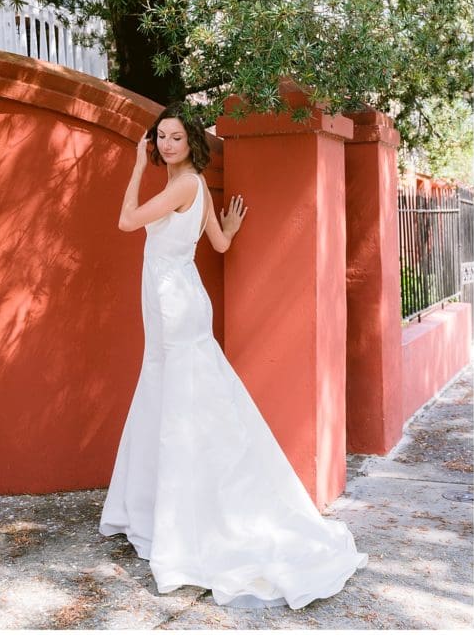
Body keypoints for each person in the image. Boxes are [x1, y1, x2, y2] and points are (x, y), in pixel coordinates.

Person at [99, 102, 367, 609]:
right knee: (180, 397)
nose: (166, 145)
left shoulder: (182, 185)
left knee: (178, 402)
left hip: (174, 302)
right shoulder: (194, 187)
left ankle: (185, 521)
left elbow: (126, 220)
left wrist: (136, 165)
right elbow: (219, 245)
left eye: (175, 137)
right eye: (161, 138)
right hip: (177, 296)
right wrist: (230, 224)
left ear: (191, 141)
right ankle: (161, 509)